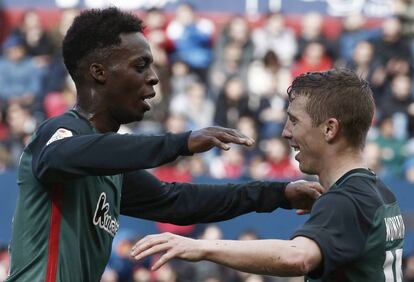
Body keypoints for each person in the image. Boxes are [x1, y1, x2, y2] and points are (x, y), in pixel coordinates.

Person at [5, 8, 324, 282]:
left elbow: (177, 201)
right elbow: (57, 158)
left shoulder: (109, 170)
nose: (154, 77)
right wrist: (181, 142)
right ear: (99, 73)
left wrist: (279, 193)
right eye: (140, 65)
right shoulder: (58, 132)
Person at [131, 69, 405, 281]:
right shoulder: (381, 193)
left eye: (294, 120)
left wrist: (200, 247)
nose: (286, 132)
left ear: (330, 129)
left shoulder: (344, 200)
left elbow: (297, 257)